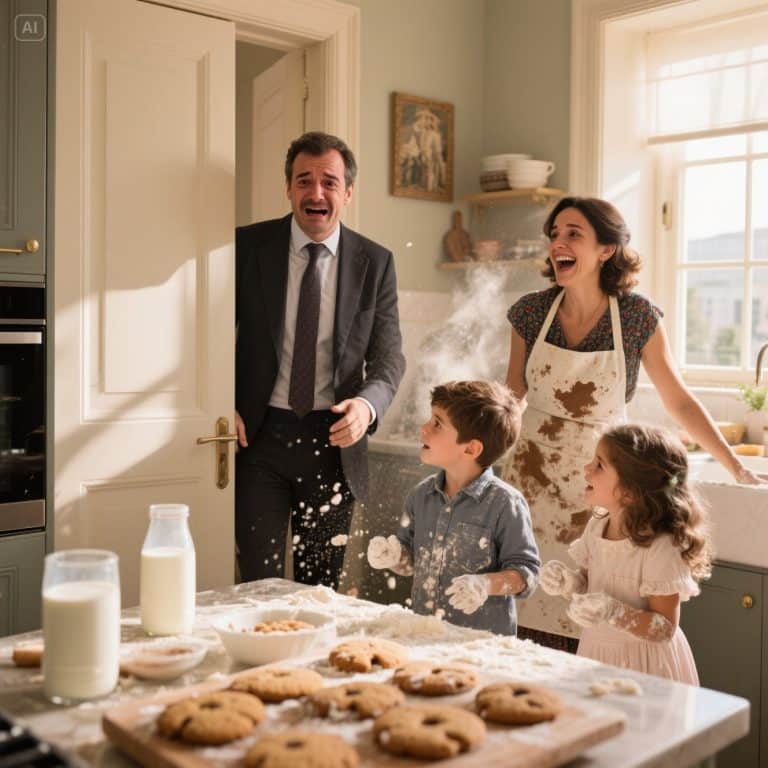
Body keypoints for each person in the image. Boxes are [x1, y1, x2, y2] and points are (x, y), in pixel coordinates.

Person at [502, 196, 764, 650]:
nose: (558, 243)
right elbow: (511, 399)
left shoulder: (637, 317)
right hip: (531, 484)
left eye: (573, 234)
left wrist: (733, 465)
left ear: (606, 250)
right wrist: (474, 458)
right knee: (525, 618)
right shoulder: (531, 312)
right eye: (555, 234)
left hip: (601, 490)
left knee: (589, 618)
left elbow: (678, 401)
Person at [235, 131, 406, 590]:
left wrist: (367, 407)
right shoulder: (245, 248)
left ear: (348, 192)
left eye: (329, 182)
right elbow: (203, 338)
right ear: (287, 188)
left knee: (319, 590)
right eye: (304, 180)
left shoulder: (377, 262)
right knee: (257, 583)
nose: (316, 193)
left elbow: (389, 358)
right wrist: (217, 399)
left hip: (333, 443)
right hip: (259, 439)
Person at [540, 424, 711, 685]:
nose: (586, 469)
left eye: (599, 465)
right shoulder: (597, 527)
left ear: (630, 492)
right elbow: (590, 585)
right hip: (596, 655)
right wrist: (571, 583)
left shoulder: (661, 547)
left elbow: (664, 628)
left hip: (646, 667)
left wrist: (614, 612)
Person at [366, 380, 540, 635]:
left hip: (482, 645)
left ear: (471, 448)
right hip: (426, 632)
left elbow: (527, 575)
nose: (424, 428)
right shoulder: (420, 496)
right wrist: (393, 558)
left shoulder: (506, 504)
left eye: (437, 423)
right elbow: (411, 563)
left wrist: (484, 584)